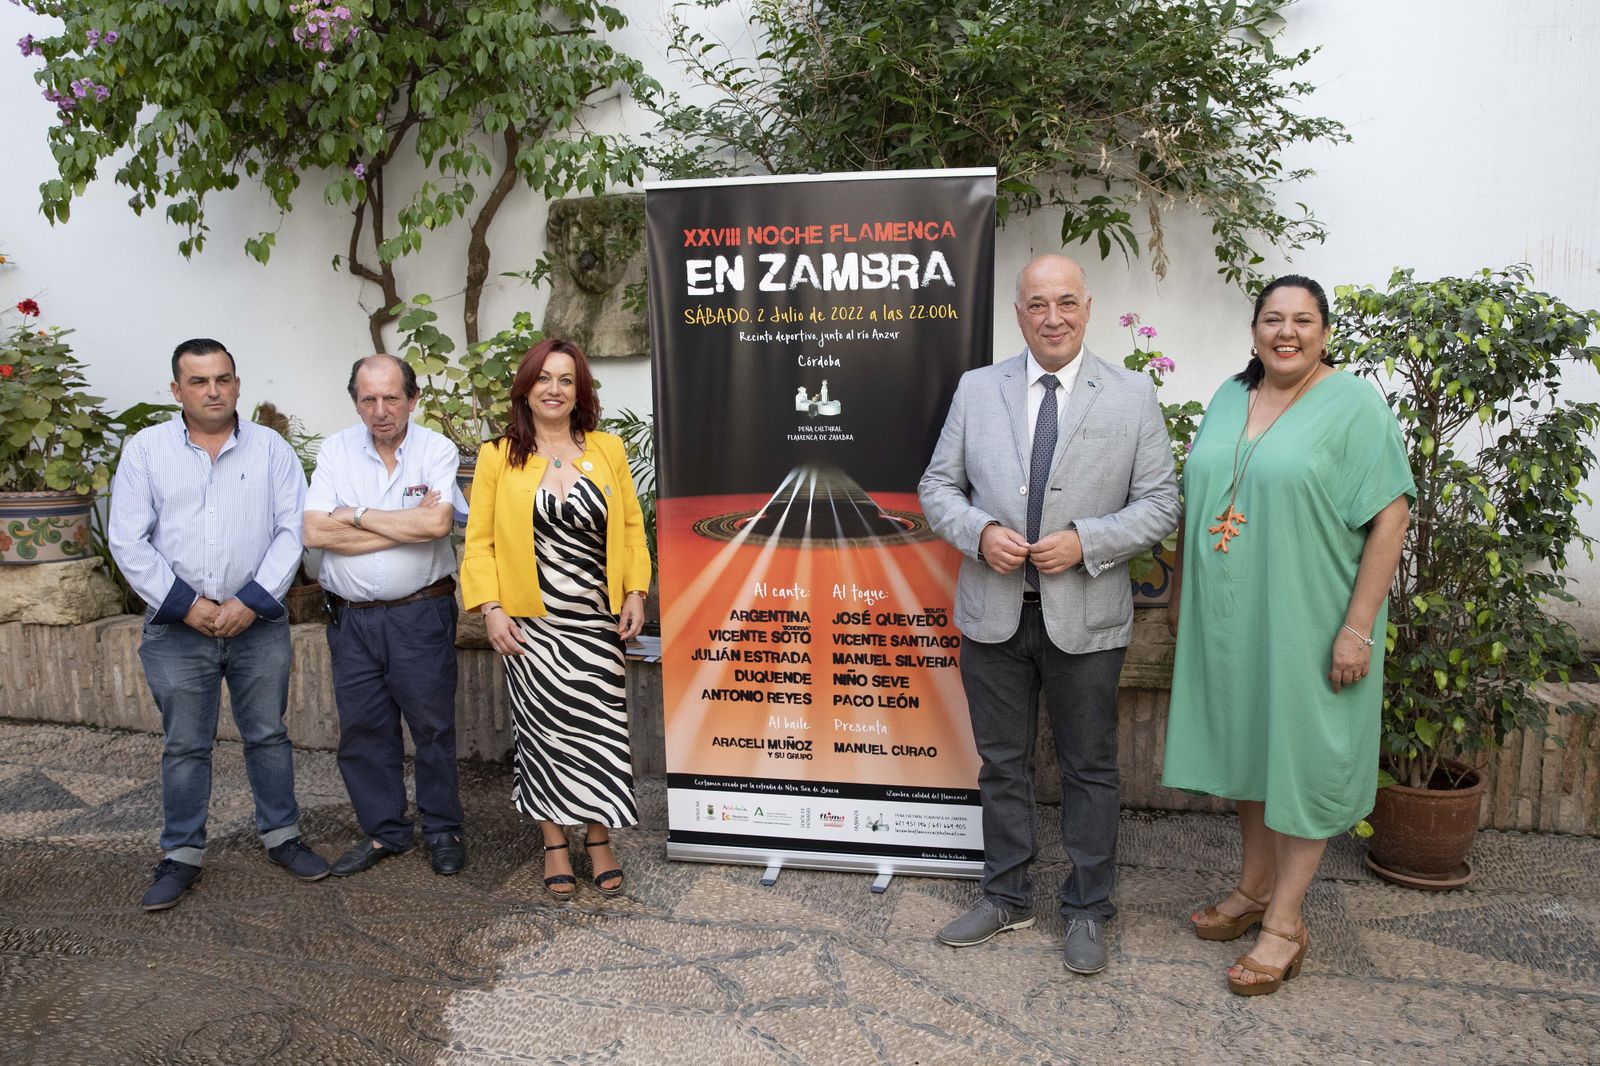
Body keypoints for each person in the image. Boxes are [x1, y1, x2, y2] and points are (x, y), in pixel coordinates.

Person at [919, 254, 1180, 973]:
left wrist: (1086, 541)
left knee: (1090, 767)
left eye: (1066, 302)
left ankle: (1088, 907)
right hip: (994, 615)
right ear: (1019, 313)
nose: (1053, 317)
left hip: (1085, 616)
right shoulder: (978, 390)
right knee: (1002, 765)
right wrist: (978, 533)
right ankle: (1006, 895)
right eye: (1038, 304)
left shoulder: (1130, 396)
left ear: (1088, 308)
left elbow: (1161, 503)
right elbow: (938, 486)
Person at [1162, 275, 1413, 996]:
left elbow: (1390, 516)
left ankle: (1286, 922)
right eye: (1273, 319)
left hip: (1311, 616)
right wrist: (1182, 591)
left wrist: (1357, 629)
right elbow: (1197, 500)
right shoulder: (1227, 397)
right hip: (1233, 617)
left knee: (1300, 762)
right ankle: (1252, 888)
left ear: (1325, 333)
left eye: (1303, 320)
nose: (1287, 332)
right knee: (1249, 749)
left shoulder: (1354, 405)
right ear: (1254, 330)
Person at [110, 338, 329, 911]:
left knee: (269, 734)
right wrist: (187, 604)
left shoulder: (271, 449)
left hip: (256, 624)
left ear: (237, 383)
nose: (214, 391)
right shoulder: (146, 451)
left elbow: (291, 531)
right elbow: (128, 540)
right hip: (178, 629)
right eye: (200, 381)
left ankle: (282, 835)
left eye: (224, 379)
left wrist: (252, 600)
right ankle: (181, 852)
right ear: (176, 389)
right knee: (185, 744)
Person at [461, 338, 650, 900]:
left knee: (600, 732)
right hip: (531, 623)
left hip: (596, 620)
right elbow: (480, 544)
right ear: (526, 387)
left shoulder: (607, 450)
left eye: (566, 380)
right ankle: (554, 843)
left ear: (579, 391)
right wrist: (491, 609)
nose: (554, 389)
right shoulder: (499, 455)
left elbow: (634, 530)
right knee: (543, 734)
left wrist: (636, 592)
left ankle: (598, 839)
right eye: (544, 378)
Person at [303, 354, 466, 878]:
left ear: (413, 400)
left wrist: (353, 514)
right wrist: (403, 522)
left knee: (433, 728)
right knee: (364, 730)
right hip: (351, 620)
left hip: (420, 615)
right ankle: (385, 832)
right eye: (368, 399)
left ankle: (443, 829)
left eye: (392, 397)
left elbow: (437, 524)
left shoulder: (437, 449)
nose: (380, 410)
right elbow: (314, 533)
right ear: (356, 402)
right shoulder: (335, 451)